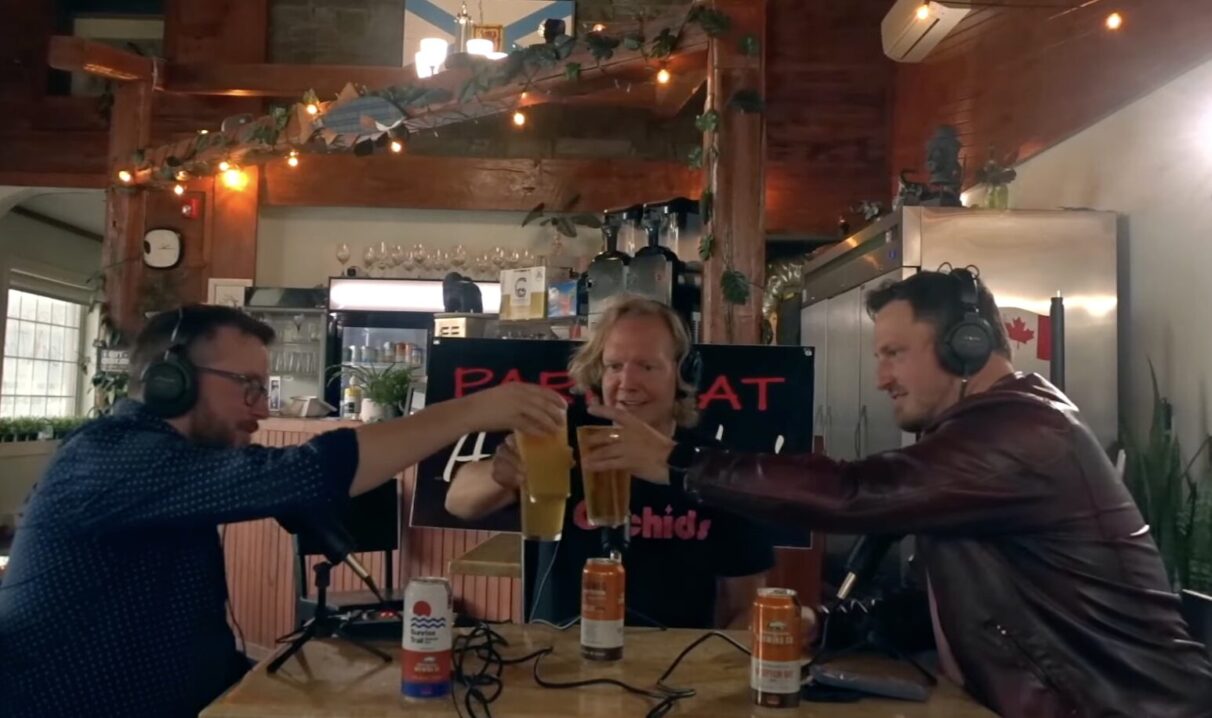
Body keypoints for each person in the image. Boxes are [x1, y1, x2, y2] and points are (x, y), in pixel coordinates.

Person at [583, 270, 1212, 717]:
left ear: (964, 347)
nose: (880, 376)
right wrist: (822, 625)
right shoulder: (987, 433)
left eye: (894, 353)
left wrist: (677, 459)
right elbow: (929, 603)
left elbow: (859, 493)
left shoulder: (1023, 432)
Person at [0, 305, 566, 718]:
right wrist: (470, 410)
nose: (263, 408)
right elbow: (311, 470)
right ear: (170, 382)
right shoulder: (112, 458)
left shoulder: (176, 464)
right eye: (247, 387)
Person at [446, 295, 774, 629]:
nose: (626, 384)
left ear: (682, 373)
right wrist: (498, 474)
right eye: (614, 366)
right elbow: (458, 501)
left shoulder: (710, 469)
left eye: (647, 366)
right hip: (556, 663)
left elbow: (745, 606)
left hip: (674, 670)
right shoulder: (562, 440)